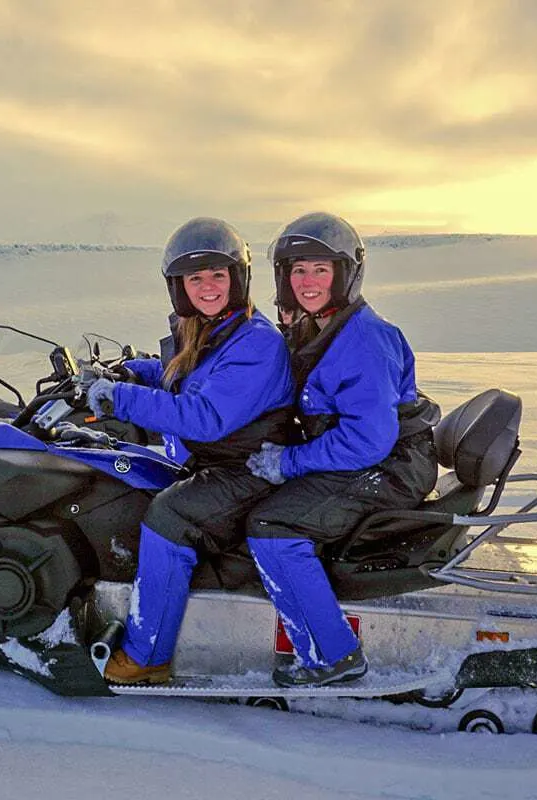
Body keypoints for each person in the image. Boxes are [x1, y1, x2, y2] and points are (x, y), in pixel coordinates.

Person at [86, 217, 295, 685]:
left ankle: (148, 657)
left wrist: (121, 398)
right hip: (216, 463)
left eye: (217, 275)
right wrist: (128, 372)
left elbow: (202, 415)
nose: (207, 287)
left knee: (168, 517)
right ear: (178, 286)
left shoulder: (257, 343)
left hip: (249, 471)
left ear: (237, 278)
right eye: (194, 278)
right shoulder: (206, 329)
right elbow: (179, 372)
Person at [245, 211, 440, 687]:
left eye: (321, 269)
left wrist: (289, 462)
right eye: (298, 270)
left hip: (389, 464)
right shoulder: (320, 325)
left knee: (272, 525)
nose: (308, 281)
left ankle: (332, 656)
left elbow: (367, 439)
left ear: (345, 274)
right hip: (370, 455)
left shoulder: (363, 340)